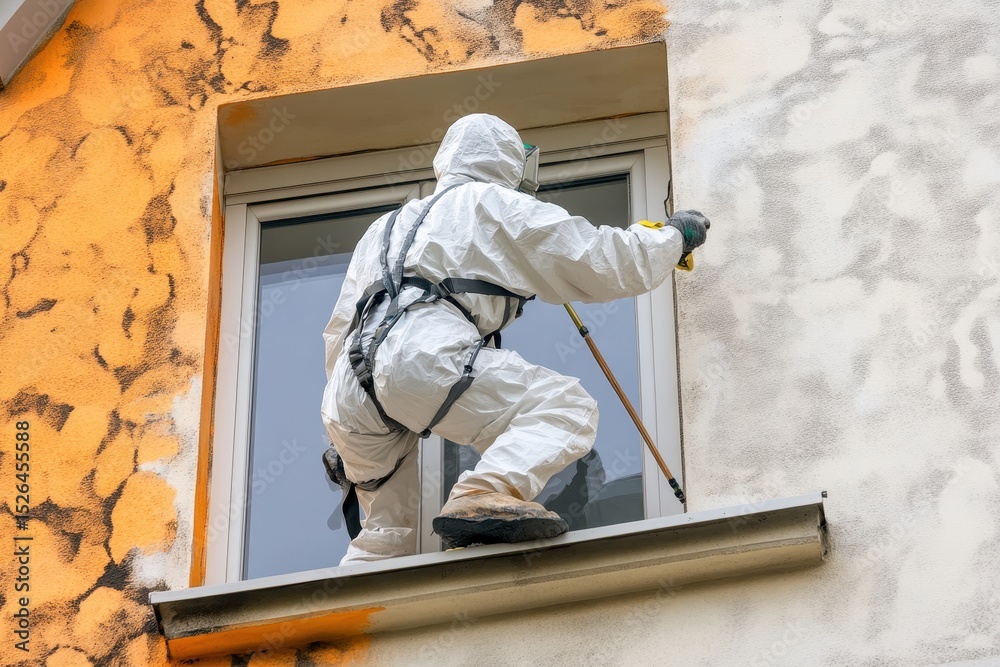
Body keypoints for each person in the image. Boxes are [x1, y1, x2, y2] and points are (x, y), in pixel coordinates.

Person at [321, 113, 709, 565]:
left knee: (383, 537)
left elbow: (339, 327)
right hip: (423, 354)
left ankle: (353, 617)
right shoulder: (498, 205)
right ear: (509, 163)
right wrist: (672, 239)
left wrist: (344, 427)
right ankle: (485, 493)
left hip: (348, 388)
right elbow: (604, 260)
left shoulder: (384, 226)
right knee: (565, 407)